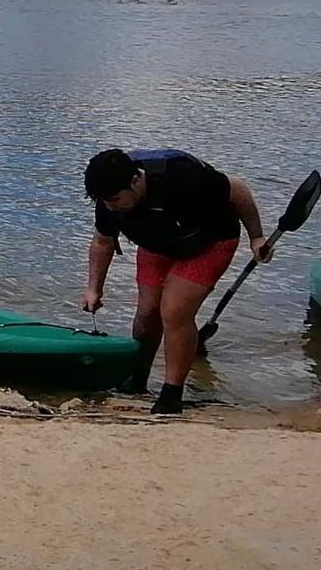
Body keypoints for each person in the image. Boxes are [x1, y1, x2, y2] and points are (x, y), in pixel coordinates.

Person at [80, 147, 272, 415]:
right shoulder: (109, 199)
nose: (111, 207)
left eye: (114, 200)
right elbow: (103, 241)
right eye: (105, 202)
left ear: (136, 180)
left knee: (174, 310)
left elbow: (237, 189)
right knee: (147, 312)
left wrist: (256, 238)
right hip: (157, 245)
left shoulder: (185, 178)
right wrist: (93, 289)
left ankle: (171, 395)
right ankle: (137, 379)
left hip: (211, 242)